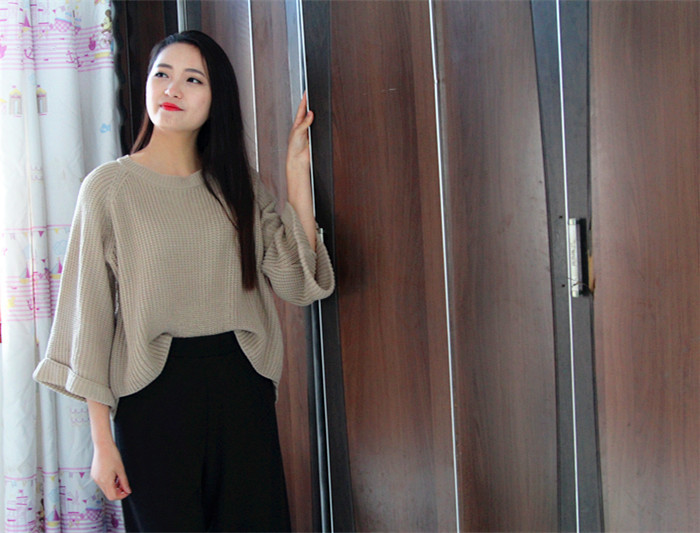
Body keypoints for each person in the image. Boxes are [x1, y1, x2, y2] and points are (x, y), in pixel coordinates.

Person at [33, 30, 335, 532]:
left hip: (241, 384)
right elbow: (89, 319)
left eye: (193, 79)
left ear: (217, 98)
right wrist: (102, 444)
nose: (172, 89)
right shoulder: (109, 189)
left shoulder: (238, 183)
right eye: (162, 74)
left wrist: (295, 171)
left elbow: (299, 281)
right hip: (152, 396)